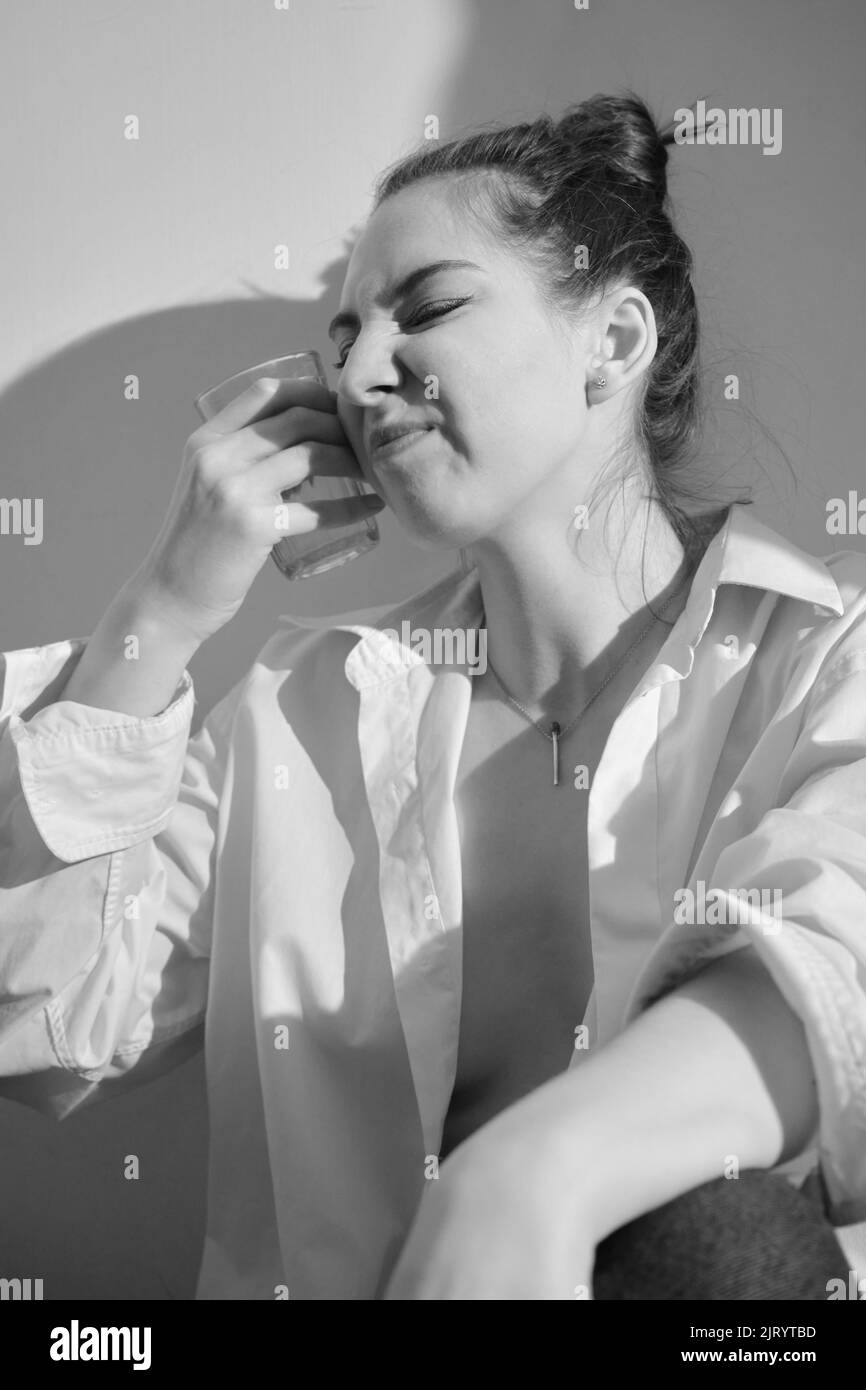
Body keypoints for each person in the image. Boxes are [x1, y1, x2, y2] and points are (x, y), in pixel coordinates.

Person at [0, 92, 863, 1301]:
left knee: (724, 1245)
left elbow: (844, 964)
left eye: (429, 307)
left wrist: (523, 1177)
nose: (357, 372)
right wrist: (167, 605)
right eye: (342, 334)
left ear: (612, 345)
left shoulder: (828, 653)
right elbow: (49, 1034)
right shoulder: (295, 708)